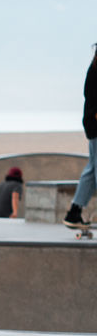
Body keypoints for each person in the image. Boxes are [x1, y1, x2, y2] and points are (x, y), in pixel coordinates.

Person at [63, 45, 97, 228]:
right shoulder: (94, 72)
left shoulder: (93, 69)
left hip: (92, 125)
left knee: (91, 170)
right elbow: (92, 103)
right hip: (94, 124)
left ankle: (74, 212)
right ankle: (74, 212)